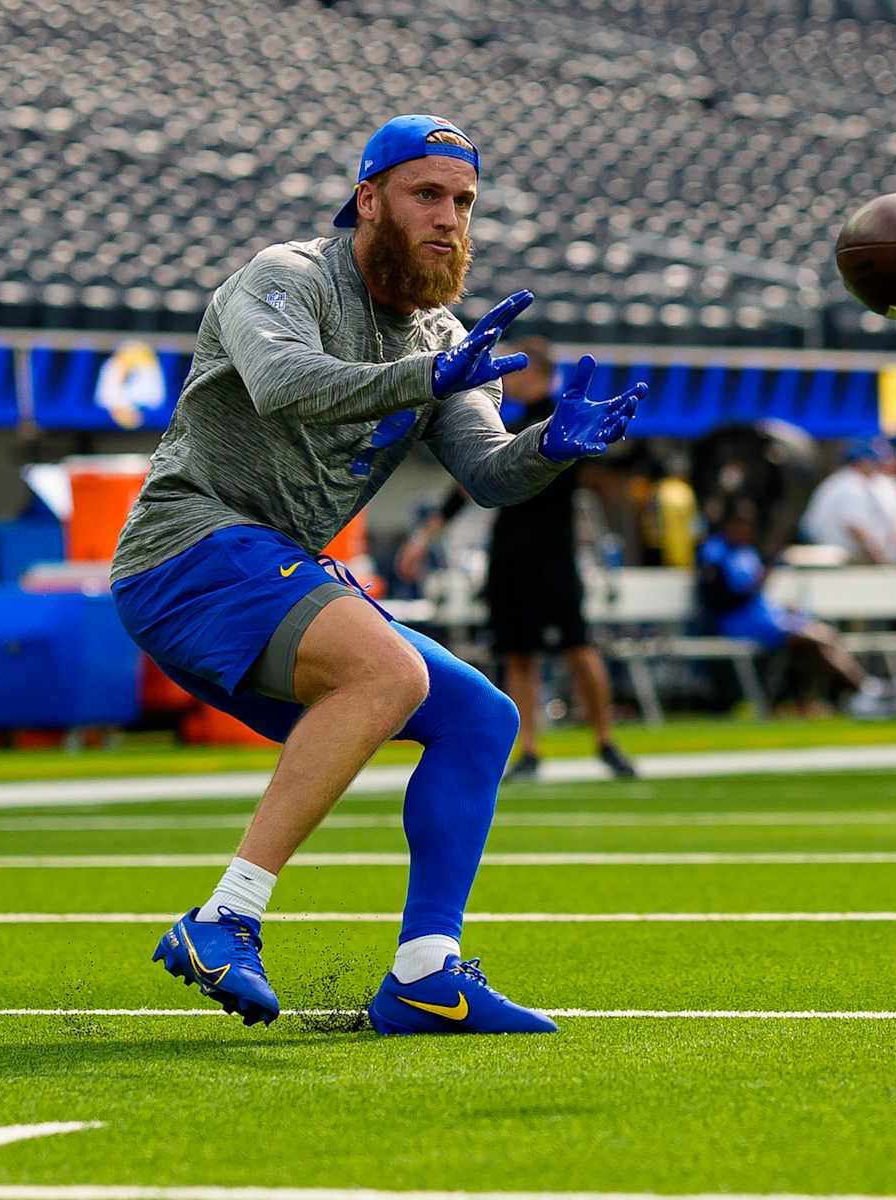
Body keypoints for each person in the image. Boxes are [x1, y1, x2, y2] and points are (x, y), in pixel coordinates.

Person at [109, 114, 645, 1035]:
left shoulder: (446, 337)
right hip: (188, 547)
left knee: (482, 719)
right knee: (390, 673)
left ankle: (426, 974)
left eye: (464, 202)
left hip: (275, 566)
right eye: (425, 194)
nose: (449, 218)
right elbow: (285, 382)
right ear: (368, 199)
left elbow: (486, 471)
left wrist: (549, 449)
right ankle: (225, 916)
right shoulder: (285, 277)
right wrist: (427, 378)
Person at [394, 338, 636, 783]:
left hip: (555, 552)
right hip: (511, 553)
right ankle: (529, 748)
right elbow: (467, 485)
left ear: (537, 373)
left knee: (578, 646)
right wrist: (425, 537)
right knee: (517, 651)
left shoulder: (563, 418)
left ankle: (605, 739)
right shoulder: (506, 425)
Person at [696, 503, 894, 717]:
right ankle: (865, 689)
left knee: (819, 635)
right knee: (811, 638)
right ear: (729, 525)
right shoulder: (714, 552)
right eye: (742, 524)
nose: (747, 529)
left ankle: (858, 694)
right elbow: (716, 599)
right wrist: (758, 584)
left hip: (763, 618)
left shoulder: (747, 551)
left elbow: (756, 596)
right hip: (737, 622)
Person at [798, 439, 889, 562]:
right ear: (862, 462)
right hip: (832, 556)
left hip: (828, 552)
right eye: (874, 463)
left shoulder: (841, 480)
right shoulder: (852, 485)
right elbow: (855, 526)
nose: (876, 467)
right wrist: (878, 557)